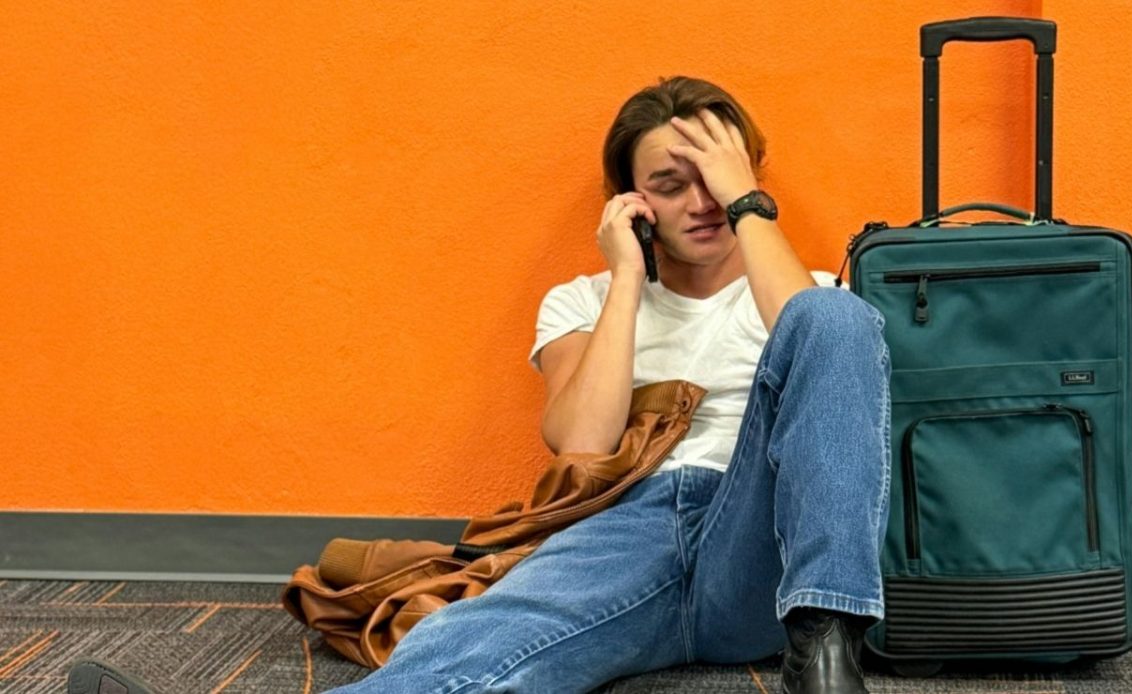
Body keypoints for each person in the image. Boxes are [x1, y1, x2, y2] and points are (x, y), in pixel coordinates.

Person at [68, 75, 892, 694]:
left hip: (766, 550)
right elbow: (582, 443)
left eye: (715, 176)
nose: (701, 202)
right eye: (669, 185)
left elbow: (813, 333)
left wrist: (749, 202)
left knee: (838, 320)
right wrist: (628, 283)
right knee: (486, 642)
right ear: (632, 203)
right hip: (633, 531)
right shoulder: (587, 300)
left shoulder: (805, 287)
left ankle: (827, 651)